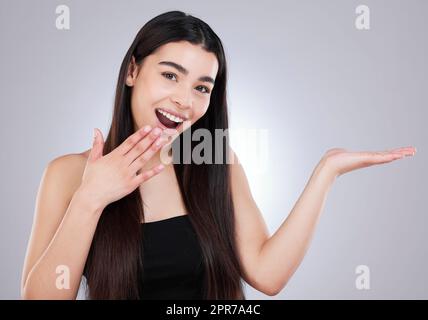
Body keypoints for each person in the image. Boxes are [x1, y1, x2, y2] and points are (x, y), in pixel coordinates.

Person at [20, 10, 416, 300]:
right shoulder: (68, 174)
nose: (184, 100)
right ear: (133, 72)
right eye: (170, 75)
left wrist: (327, 171)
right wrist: (91, 199)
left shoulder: (216, 163)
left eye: (202, 88)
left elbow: (268, 275)